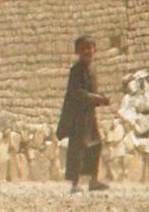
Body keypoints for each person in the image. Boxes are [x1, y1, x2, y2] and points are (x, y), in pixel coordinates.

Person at [57, 35, 111, 192]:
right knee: (77, 148)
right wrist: (96, 98)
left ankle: (93, 180)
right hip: (78, 116)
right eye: (83, 48)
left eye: (90, 47)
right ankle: (75, 183)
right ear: (77, 51)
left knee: (96, 145)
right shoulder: (76, 70)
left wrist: (101, 98)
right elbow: (76, 92)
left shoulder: (92, 69)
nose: (87, 51)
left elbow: (92, 91)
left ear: (95, 49)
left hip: (89, 115)